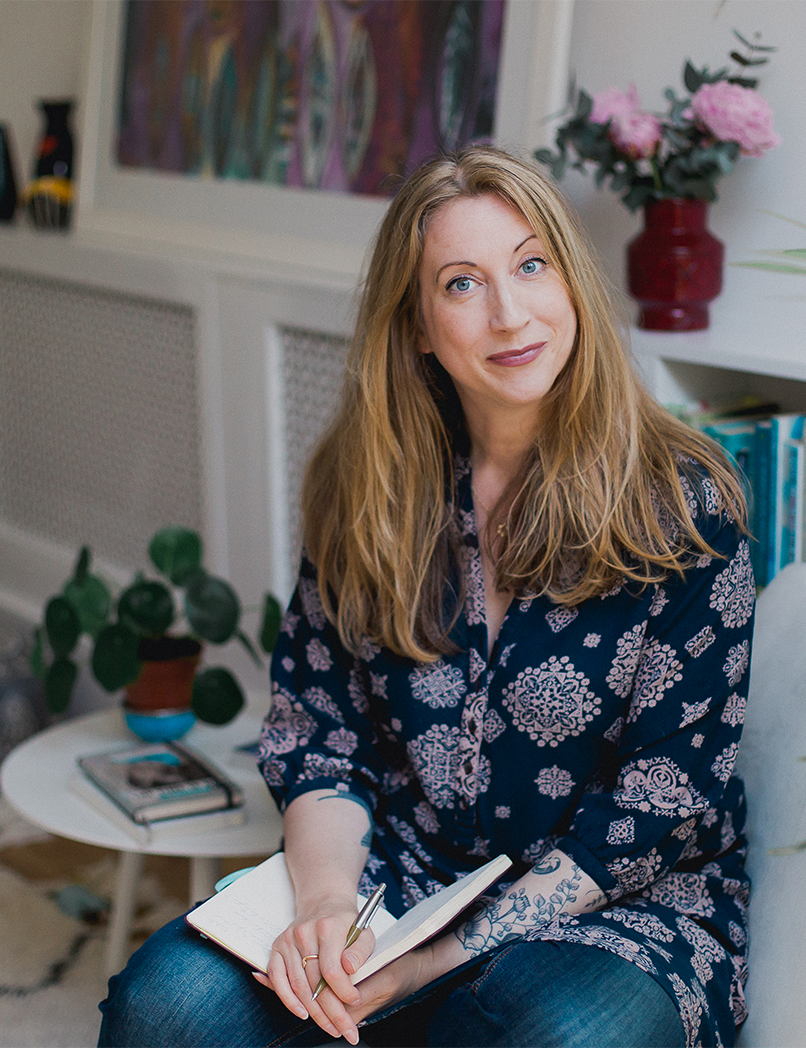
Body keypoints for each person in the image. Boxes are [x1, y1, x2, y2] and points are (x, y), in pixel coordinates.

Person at [97, 146, 754, 1048]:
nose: (510, 312)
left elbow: (663, 799)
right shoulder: (366, 489)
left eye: (532, 265)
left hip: (618, 906)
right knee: (163, 1008)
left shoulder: (683, 504)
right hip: (406, 877)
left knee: (553, 1036)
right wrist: (329, 909)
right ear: (415, 323)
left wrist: (425, 964)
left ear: (572, 284)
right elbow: (321, 734)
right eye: (461, 283)